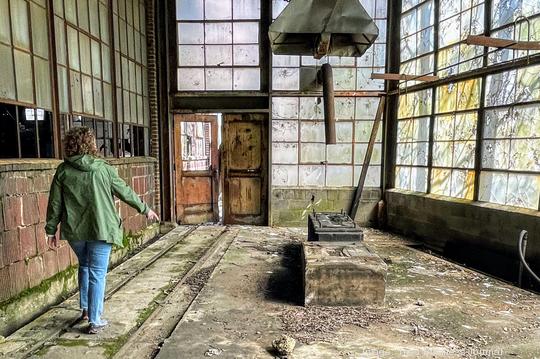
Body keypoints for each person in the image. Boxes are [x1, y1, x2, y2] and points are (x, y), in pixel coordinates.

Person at [45, 127, 159, 334]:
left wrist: (51, 230)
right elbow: (124, 191)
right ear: (91, 144)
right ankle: (95, 320)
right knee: (97, 272)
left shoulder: (63, 170)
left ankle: (86, 311)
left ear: (69, 145)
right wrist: (145, 209)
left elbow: (55, 203)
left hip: (75, 230)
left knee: (85, 266)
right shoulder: (104, 169)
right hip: (102, 228)